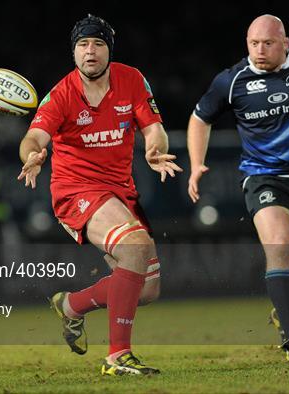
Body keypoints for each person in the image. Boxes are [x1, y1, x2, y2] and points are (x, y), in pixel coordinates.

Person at [17, 14, 182, 376]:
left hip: (120, 192)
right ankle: (117, 357)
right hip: (75, 192)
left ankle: (73, 305)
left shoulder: (131, 79)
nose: (89, 51)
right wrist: (31, 155)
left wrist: (155, 149)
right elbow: (33, 138)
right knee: (136, 248)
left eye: (97, 44)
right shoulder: (61, 94)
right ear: (73, 52)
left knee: (147, 290)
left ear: (109, 50)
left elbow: (155, 129)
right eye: (82, 45)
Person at [187, 14, 289, 363]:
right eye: (253, 43)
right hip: (262, 176)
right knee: (279, 244)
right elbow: (199, 118)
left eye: (267, 43)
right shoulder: (233, 80)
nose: (259, 51)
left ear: (285, 42)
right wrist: (196, 163)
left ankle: (285, 307)